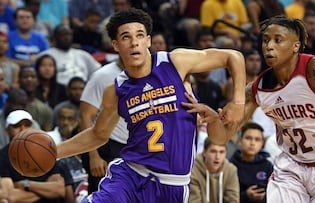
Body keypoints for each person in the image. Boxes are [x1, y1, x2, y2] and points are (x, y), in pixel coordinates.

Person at [57, 8, 245, 203]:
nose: (134, 42)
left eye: (139, 35)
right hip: (130, 176)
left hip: (173, 186)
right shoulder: (115, 90)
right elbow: (98, 134)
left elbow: (233, 57)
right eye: (126, 37)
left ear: (148, 40)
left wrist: (238, 102)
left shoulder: (176, 62)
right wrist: (55, 152)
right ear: (116, 45)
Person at [240, 15, 315, 202]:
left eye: (277, 40)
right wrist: (209, 117)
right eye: (265, 40)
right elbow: (221, 135)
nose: (269, 46)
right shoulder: (257, 88)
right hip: (292, 167)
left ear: (296, 46)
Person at [0, 110, 72, 203]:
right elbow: (10, 196)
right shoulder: (2, 156)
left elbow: (59, 190)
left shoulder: (45, 150)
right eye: (17, 126)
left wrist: (25, 185)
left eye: (27, 125)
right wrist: (45, 190)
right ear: (7, 130)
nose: (22, 129)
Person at [79, 59, 128, 194]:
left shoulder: (147, 75)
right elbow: (85, 116)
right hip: (106, 147)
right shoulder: (102, 76)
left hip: (132, 147)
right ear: (116, 46)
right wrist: (93, 156)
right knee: (102, 195)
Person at [230, 122, 273, 203]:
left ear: (262, 143)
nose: (252, 143)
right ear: (240, 140)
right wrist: (246, 195)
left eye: (257, 139)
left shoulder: (268, 166)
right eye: (248, 138)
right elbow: (225, 197)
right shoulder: (230, 165)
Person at [189, 137, 240, 203]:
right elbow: (194, 200)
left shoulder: (231, 170)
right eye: (213, 151)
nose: (217, 157)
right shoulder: (193, 169)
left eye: (221, 152)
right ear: (204, 152)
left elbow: (232, 198)